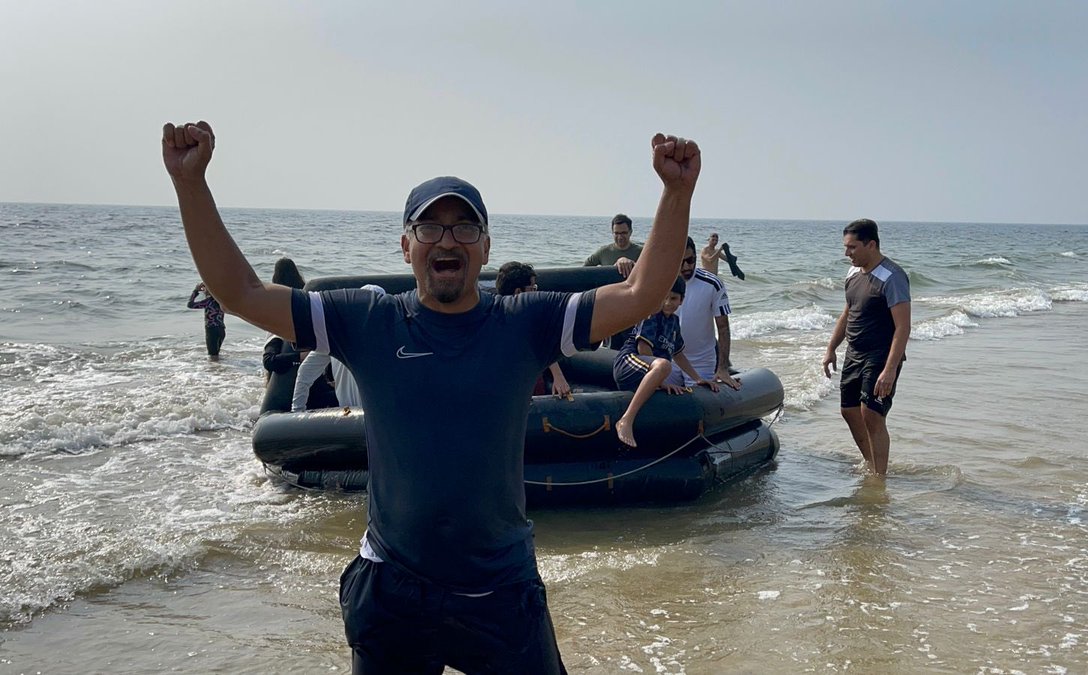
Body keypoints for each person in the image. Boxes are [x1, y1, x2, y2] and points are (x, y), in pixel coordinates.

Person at [162, 119, 700, 674]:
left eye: (465, 227)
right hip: (394, 589)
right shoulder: (367, 320)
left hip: (499, 589)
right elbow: (241, 292)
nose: (447, 240)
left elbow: (640, 293)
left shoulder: (525, 323)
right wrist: (190, 184)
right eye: (430, 227)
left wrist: (675, 192)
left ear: (485, 247)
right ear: (405, 246)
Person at [821, 218, 911, 475]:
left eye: (852, 247)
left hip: (881, 355)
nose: (846, 253)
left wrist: (890, 370)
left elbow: (903, 327)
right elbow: (847, 313)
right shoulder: (852, 274)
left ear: (871, 245)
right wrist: (831, 349)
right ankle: (873, 463)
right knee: (849, 411)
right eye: (845, 247)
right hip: (854, 352)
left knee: (871, 414)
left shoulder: (892, 277)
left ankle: (879, 478)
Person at [612, 276, 717, 447]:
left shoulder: (674, 322)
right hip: (629, 363)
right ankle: (625, 420)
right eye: (664, 298)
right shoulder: (651, 315)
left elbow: (679, 354)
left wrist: (697, 378)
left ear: (682, 300)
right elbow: (643, 349)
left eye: (674, 298)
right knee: (664, 365)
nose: (668, 303)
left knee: (665, 365)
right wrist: (662, 382)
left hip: (650, 372)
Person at [291, 284, 386, 411]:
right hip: (378, 418)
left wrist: (297, 411)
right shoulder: (391, 339)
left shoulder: (333, 338)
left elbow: (304, 374)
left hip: (348, 416)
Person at [261, 257, 337, 410]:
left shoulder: (283, 322)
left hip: (309, 390)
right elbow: (270, 360)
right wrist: (300, 357)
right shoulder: (280, 329)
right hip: (300, 394)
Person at [671, 237, 741, 391]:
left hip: (701, 362)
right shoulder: (663, 282)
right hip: (669, 359)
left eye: (690, 260)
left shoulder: (712, 284)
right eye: (681, 262)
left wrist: (722, 368)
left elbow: (723, 328)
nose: (686, 266)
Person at [495, 262, 571, 398]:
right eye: (533, 289)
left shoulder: (492, 312)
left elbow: (543, 341)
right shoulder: (510, 319)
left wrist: (558, 377)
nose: (536, 293)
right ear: (518, 292)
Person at [583, 213, 642, 278]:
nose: (620, 237)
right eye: (616, 233)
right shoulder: (603, 252)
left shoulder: (641, 253)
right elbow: (583, 271)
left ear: (630, 232)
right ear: (612, 232)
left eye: (623, 233)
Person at [186, 282, 225, 360]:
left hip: (212, 330)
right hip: (221, 329)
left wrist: (196, 291)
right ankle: (219, 369)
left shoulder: (208, 301)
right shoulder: (222, 301)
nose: (203, 290)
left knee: (212, 355)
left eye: (205, 288)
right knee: (216, 353)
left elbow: (190, 305)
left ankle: (215, 371)